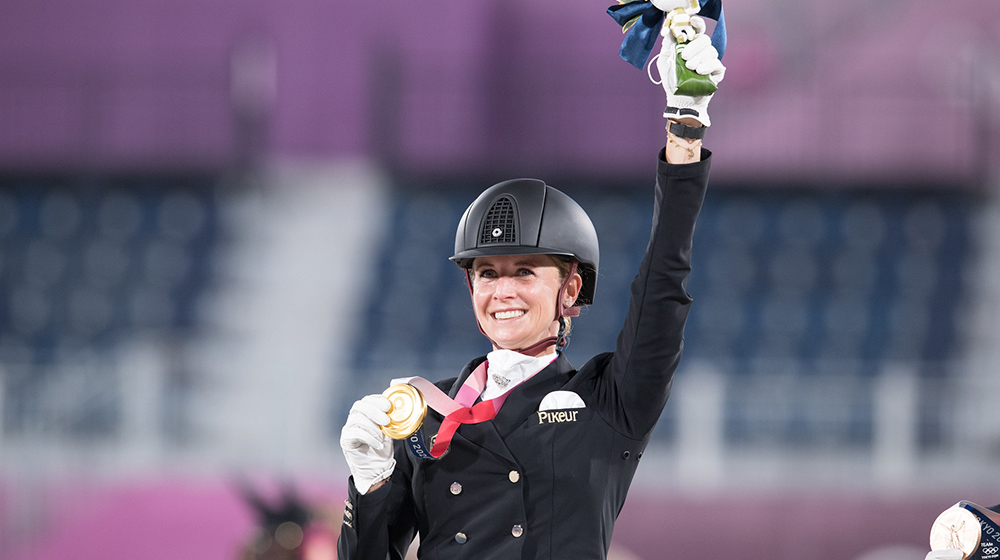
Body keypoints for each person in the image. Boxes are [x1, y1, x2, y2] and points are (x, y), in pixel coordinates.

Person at [337, 11, 725, 560]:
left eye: (525, 272)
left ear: (570, 290)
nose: (504, 291)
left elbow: (663, 285)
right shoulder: (424, 411)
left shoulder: (610, 399)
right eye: (487, 275)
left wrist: (684, 130)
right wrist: (370, 483)